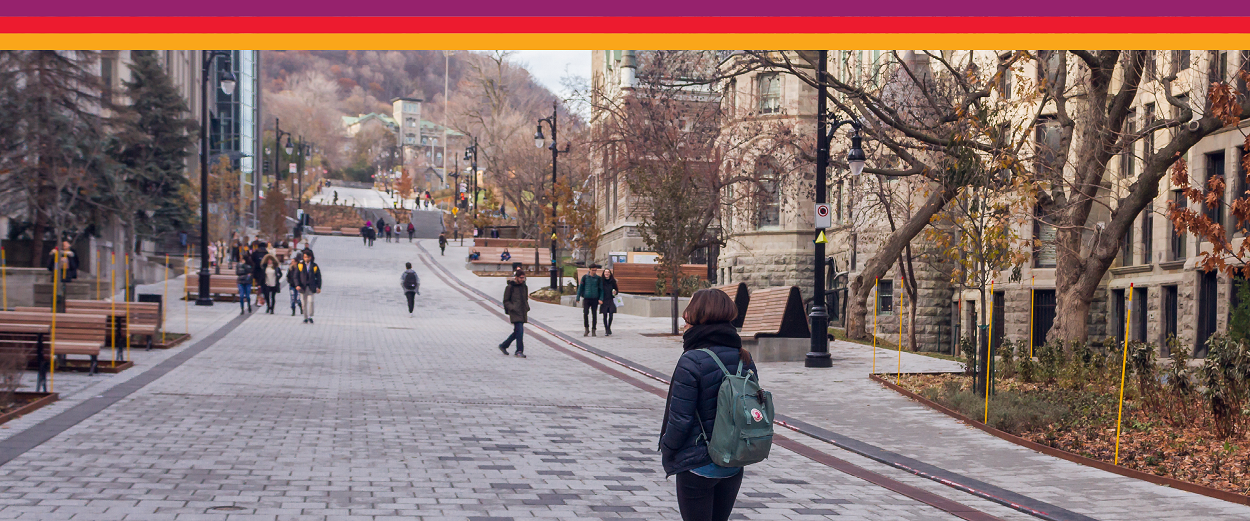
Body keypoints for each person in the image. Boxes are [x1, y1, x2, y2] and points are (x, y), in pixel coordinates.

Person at [660, 288, 757, 521]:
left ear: (700, 314)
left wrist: (668, 449)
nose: (684, 317)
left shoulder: (691, 359)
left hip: (698, 465)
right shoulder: (744, 357)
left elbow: (680, 420)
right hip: (733, 462)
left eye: (689, 310)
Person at [498, 270, 529, 358]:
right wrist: (512, 308)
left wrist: (527, 307)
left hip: (522, 311)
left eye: (524, 278)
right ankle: (519, 350)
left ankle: (503, 345)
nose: (522, 279)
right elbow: (506, 301)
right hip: (515, 312)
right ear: (516, 277)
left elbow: (525, 298)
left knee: (517, 332)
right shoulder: (510, 287)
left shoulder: (524, 287)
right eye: (521, 278)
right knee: (520, 331)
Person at [293, 249, 322, 324]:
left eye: (307, 257)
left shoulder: (314, 266)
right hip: (303, 287)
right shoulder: (300, 265)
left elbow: (318, 277)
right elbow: (296, 276)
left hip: (311, 287)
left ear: (310, 257)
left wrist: (319, 287)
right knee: (304, 303)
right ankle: (305, 317)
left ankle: (310, 316)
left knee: (311, 301)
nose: (306, 259)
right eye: (304, 257)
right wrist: (297, 285)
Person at [577, 264, 604, 337]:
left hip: (595, 298)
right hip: (586, 298)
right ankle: (586, 328)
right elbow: (580, 287)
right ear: (589, 269)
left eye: (595, 270)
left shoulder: (598, 278)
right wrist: (578, 297)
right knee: (585, 313)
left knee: (594, 314)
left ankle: (594, 329)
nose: (594, 271)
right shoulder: (585, 277)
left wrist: (601, 298)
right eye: (593, 270)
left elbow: (601, 289)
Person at [600, 268, 619, 336]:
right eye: (605, 272)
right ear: (604, 273)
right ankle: (606, 329)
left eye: (608, 272)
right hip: (604, 300)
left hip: (611, 299)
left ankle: (609, 327)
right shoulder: (601, 281)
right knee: (605, 315)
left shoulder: (613, 281)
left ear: (610, 274)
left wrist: (615, 292)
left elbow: (617, 290)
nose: (607, 274)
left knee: (611, 314)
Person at [286, 251, 304, 316]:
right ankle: (293, 310)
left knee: (298, 299)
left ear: (296, 262)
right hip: (292, 286)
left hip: (298, 286)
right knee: (293, 298)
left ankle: (301, 307)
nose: (292, 263)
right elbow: (287, 276)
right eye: (291, 261)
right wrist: (290, 281)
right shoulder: (290, 269)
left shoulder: (299, 269)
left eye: (293, 261)